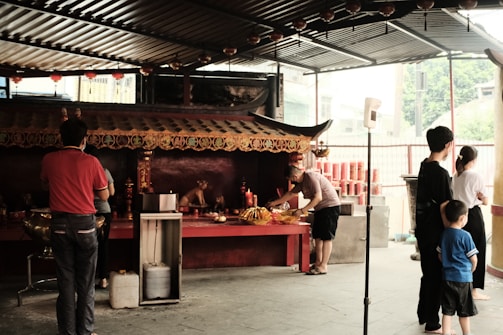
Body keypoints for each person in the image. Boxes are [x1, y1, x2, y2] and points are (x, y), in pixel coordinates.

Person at [41, 118, 109, 335]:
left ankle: (67, 332)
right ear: (84, 140)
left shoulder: (49, 159)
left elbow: (45, 182)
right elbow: (104, 194)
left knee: (66, 283)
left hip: (59, 225)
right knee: (86, 284)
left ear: (61, 138)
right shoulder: (91, 161)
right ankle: (86, 331)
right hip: (85, 226)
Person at [266, 165, 340, 275]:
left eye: (290, 180)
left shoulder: (310, 177)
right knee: (318, 237)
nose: (291, 182)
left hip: (330, 207)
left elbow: (318, 197)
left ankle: (324, 266)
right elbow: (291, 193)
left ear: (295, 176)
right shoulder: (302, 183)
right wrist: (274, 203)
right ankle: (318, 263)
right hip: (320, 208)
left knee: (326, 237)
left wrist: (302, 210)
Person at [415, 125, 454, 334]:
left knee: (427, 274)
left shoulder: (424, 166)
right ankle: (432, 322)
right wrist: (451, 232)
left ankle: (424, 314)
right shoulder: (440, 172)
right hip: (436, 232)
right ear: (448, 145)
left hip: (422, 229)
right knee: (436, 277)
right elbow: (445, 206)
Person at [451, 145, 490, 300]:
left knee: (461, 252)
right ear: (473, 160)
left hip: (457, 216)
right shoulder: (475, 176)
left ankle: (459, 287)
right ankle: (474, 291)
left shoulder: (455, 175)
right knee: (477, 250)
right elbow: (486, 201)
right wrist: (480, 197)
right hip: (472, 216)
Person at [438, 200, 478, 335]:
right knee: (464, 311)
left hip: (447, 278)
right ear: (462, 218)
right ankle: (467, 333)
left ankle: (446, 333)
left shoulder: (444, 234)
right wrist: (472, 269)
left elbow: (440, 255)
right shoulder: (465, 236)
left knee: (447, 311)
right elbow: (474, 258)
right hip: (463, 279)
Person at [85, 146, 115, 290]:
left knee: (88, 247)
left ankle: (87, 280)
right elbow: (112, 192)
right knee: (103, 245)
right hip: (105, 212)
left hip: (87, 213)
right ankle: (103, 278)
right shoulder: (105, 171)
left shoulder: (84, 171)